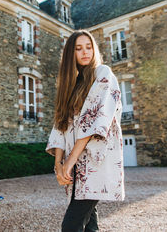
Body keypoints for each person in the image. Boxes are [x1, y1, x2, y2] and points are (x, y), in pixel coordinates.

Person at [46, 30, 125, 232]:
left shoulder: (103, 74)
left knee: (71, 225)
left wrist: (69, 162)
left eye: (88, 47)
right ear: (71, 54)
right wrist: (58, 163)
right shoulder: (70, 85)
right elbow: (60, 124)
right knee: (89, 224)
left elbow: (95, 121)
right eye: (78, 48)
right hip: (76, 165)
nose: (85, 52)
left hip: (95, 161)